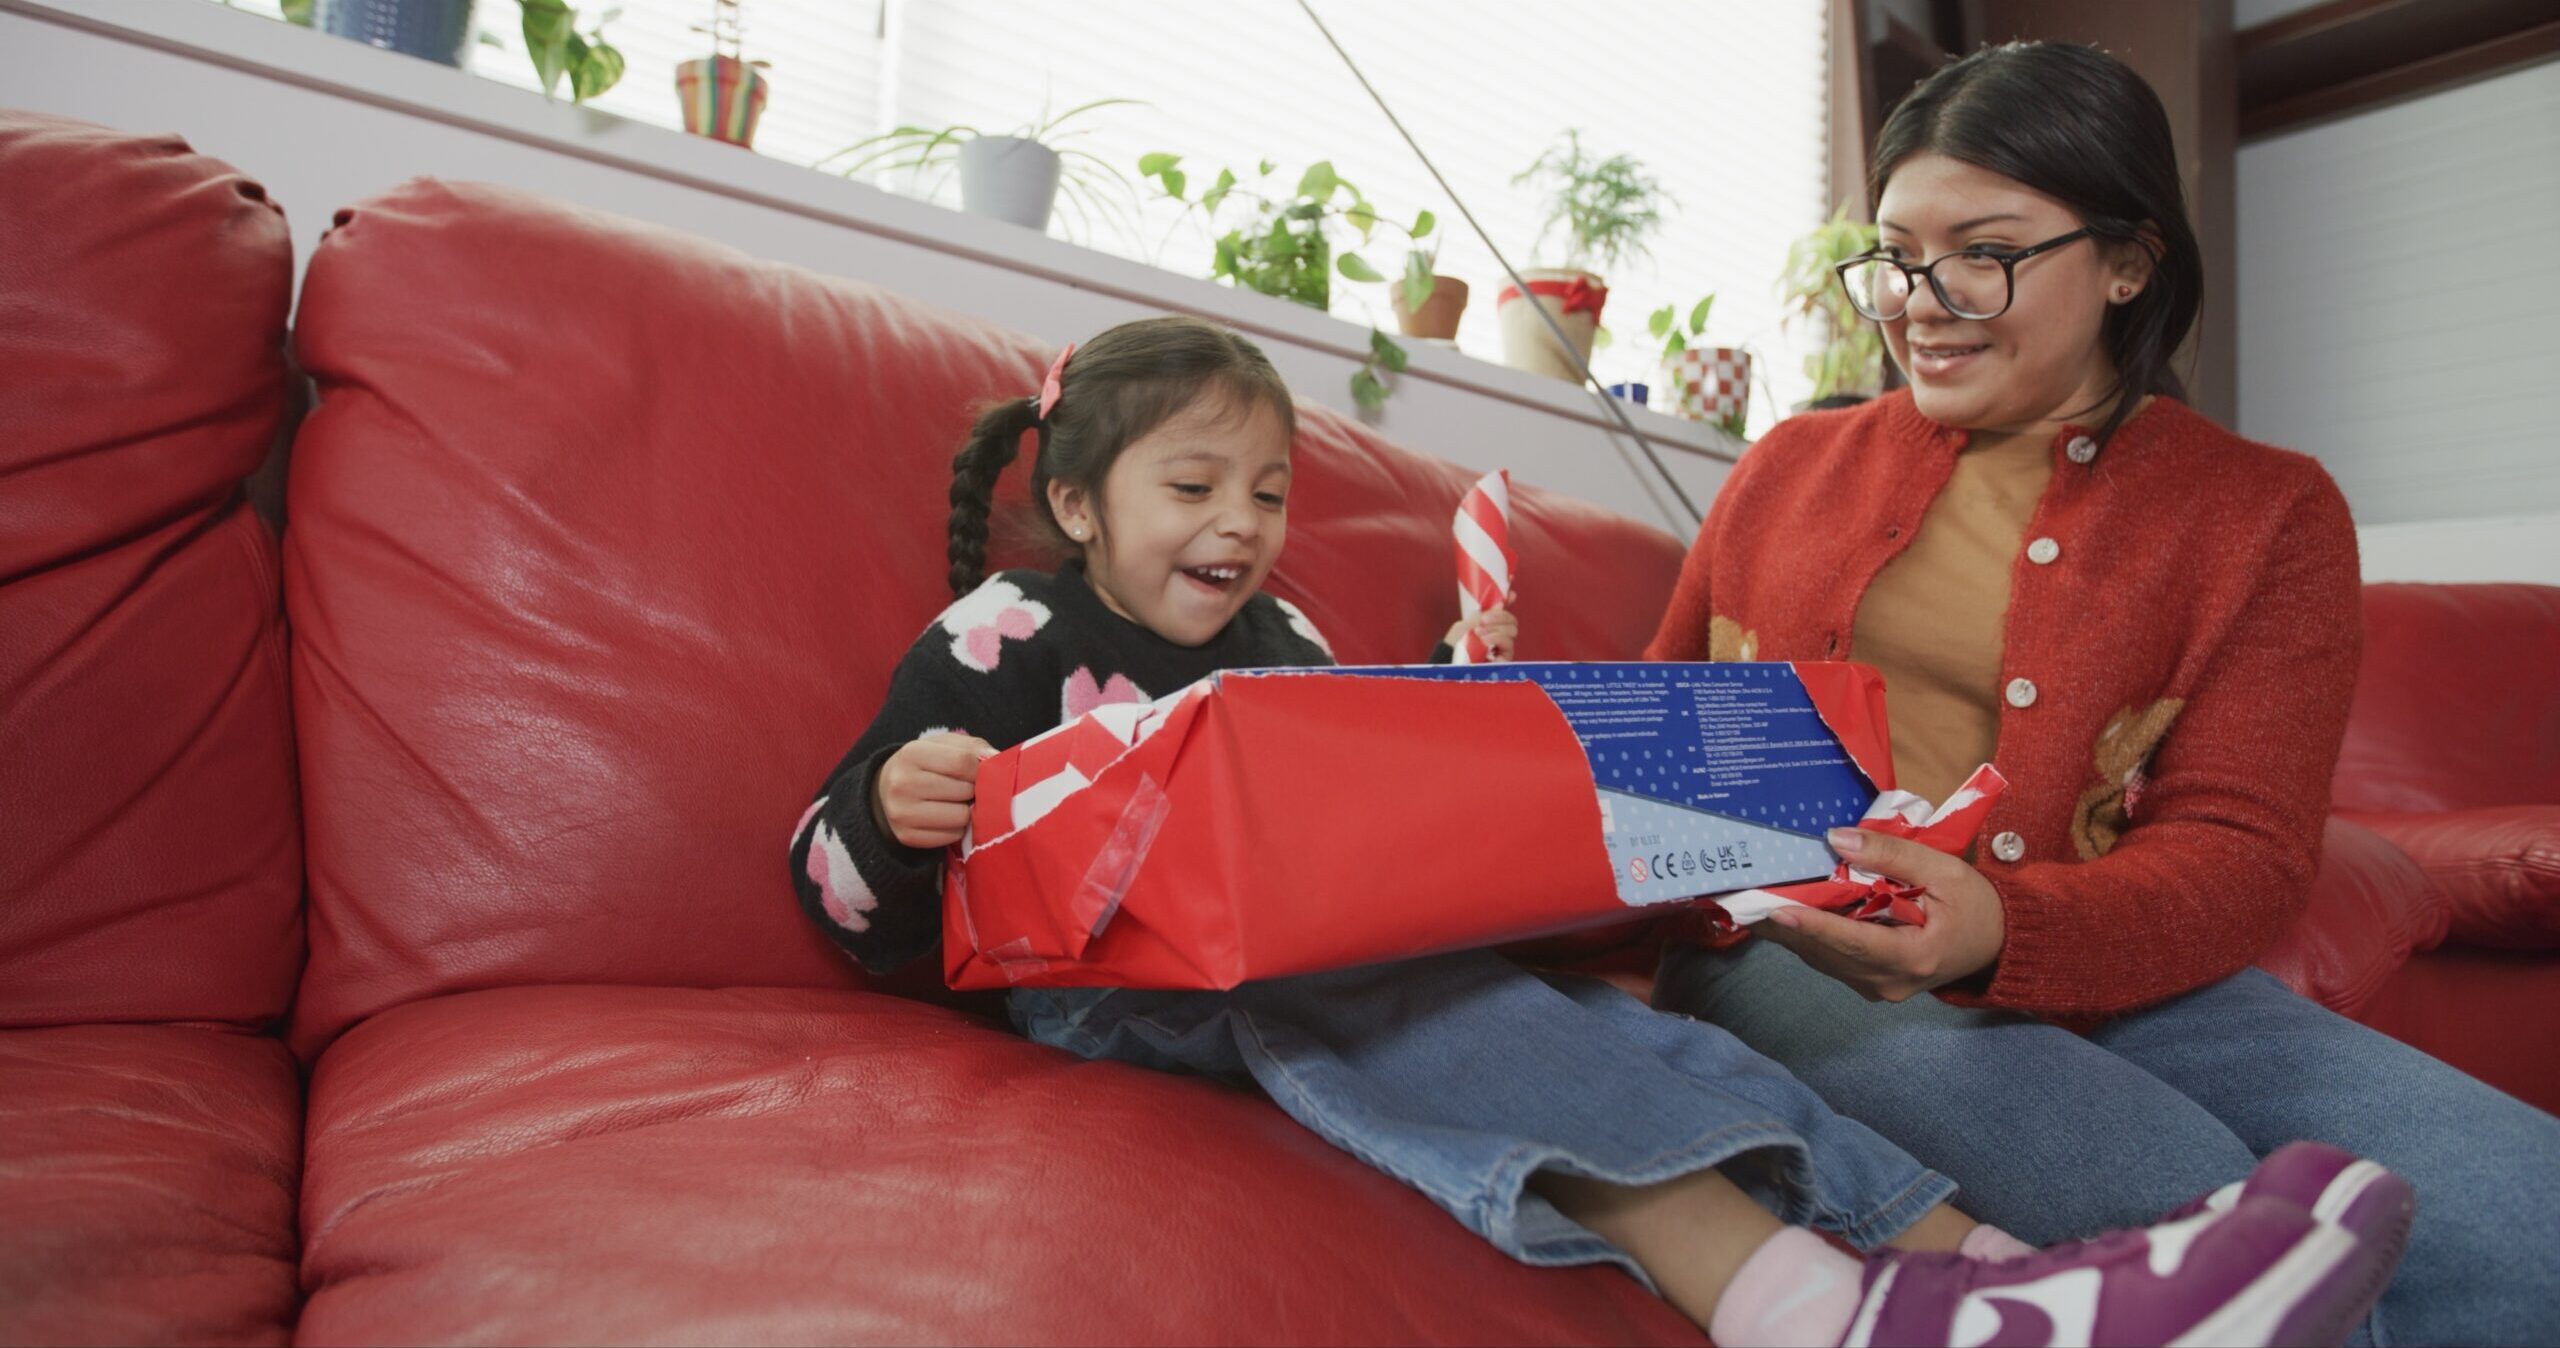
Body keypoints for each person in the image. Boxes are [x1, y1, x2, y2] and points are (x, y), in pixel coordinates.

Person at [788, 313, 2409, 1346]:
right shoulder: (1002, 635)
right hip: (1111, 979)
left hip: (1293, 948)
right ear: (1075, 505)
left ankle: (1982, 1262)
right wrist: (896, 805)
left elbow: (1353, 825)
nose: (1240, 526)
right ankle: (1822, 1310)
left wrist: (1441, 743)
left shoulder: (1280, 649)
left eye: (1269, 494)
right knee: (1379, 988)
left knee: (1542, 998)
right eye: (1193, 488)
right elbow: (843, 892)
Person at [1646, 40, 2560, 1346]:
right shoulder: (1788, 466)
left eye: (1985, 251)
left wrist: (2005, 933)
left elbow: (2241, 857)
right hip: (1803, 951)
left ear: (2128, 262)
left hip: (2133, 973)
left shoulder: (2267, 513)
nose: (1919, 298)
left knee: (2537, 1234)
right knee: (2225, 1242)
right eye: (1897, 253)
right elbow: (1644, 725)